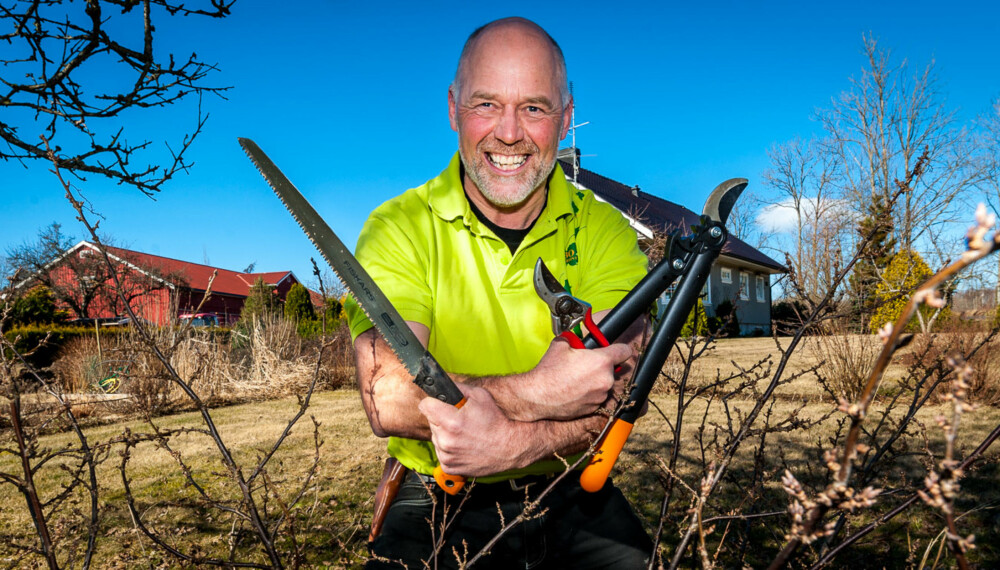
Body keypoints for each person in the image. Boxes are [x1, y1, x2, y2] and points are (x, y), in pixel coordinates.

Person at [345, 16, 653, 569]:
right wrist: (535, 391)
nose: (508, 132)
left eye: (534, 108)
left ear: (566, 119)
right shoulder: (397, 227)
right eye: (486, 104)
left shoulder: (604, 231)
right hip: (434, 487)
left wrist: (511, 446)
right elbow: (386, 397)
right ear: (453, 109)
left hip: (567, 481)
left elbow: (618, 387)